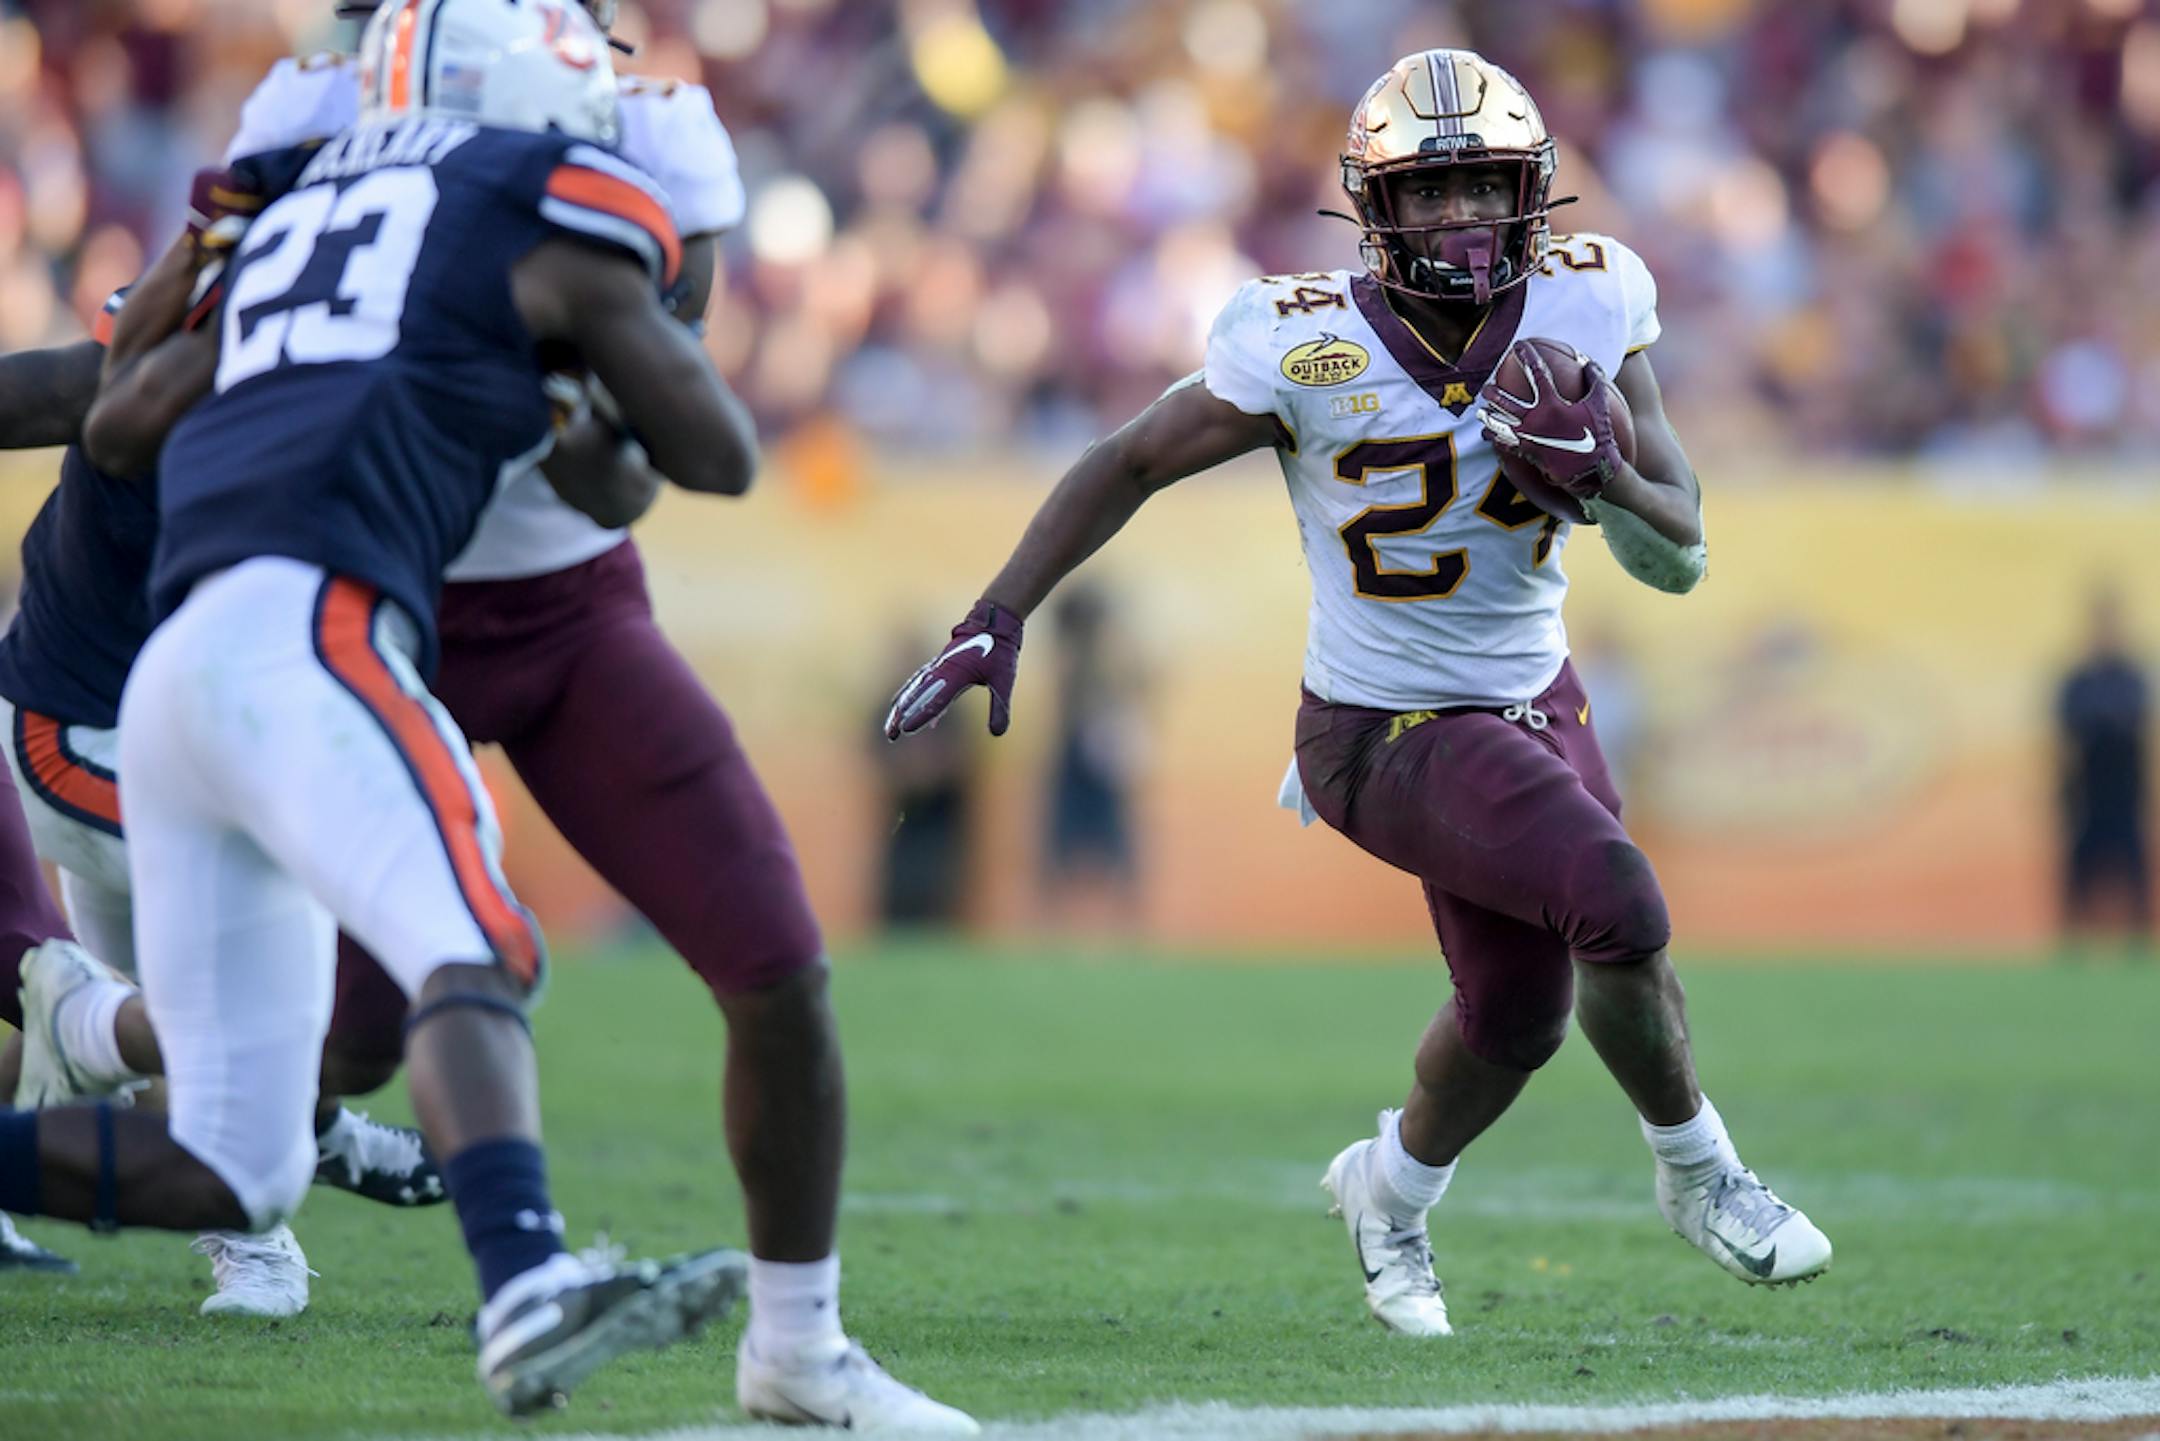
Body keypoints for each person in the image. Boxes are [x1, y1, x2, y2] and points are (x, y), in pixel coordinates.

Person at [14, 0, 980, 1425]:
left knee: (760, 961)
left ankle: (795, 1346)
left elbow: (643, 429)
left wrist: (239, 228)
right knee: (385, 1014)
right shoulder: (403, 147)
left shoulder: (457, 159)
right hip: (358, 616)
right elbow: (696, 444)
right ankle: (500, 1259)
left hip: (489, 611)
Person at [887, 49, 1831, 1337]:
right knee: (1618, 898)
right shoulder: (1300, 339)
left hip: (1533, 703)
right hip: (1379, 728)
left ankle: (1387, 1189)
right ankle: (1702, 1172)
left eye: (1483, 188)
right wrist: (997, 615)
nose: (1459, 218)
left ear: (1530, 192)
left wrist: (1601, 471)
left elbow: (1683, 550)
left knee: (1518, 1017)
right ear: (1373, 210)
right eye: (1429, 196)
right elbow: (1129, 459)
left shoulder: (1594, 300)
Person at [0, 303, 447, 1312]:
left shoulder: (258, 411)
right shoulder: (159, 414)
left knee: (102, 1012)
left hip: (151, 737)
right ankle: (300, 1152)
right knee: (241, 949)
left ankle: (268, 1183)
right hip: (75, 740)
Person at [2057, 587, 2151, 950]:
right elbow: (2067, 732)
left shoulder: (2131, 677)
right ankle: (2073, 940)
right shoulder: (2079, 679)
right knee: (2077, 869)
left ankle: (2138, 939)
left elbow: (2136, 723)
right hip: (2087, 793)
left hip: (2125, 792)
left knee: (2134, 867)